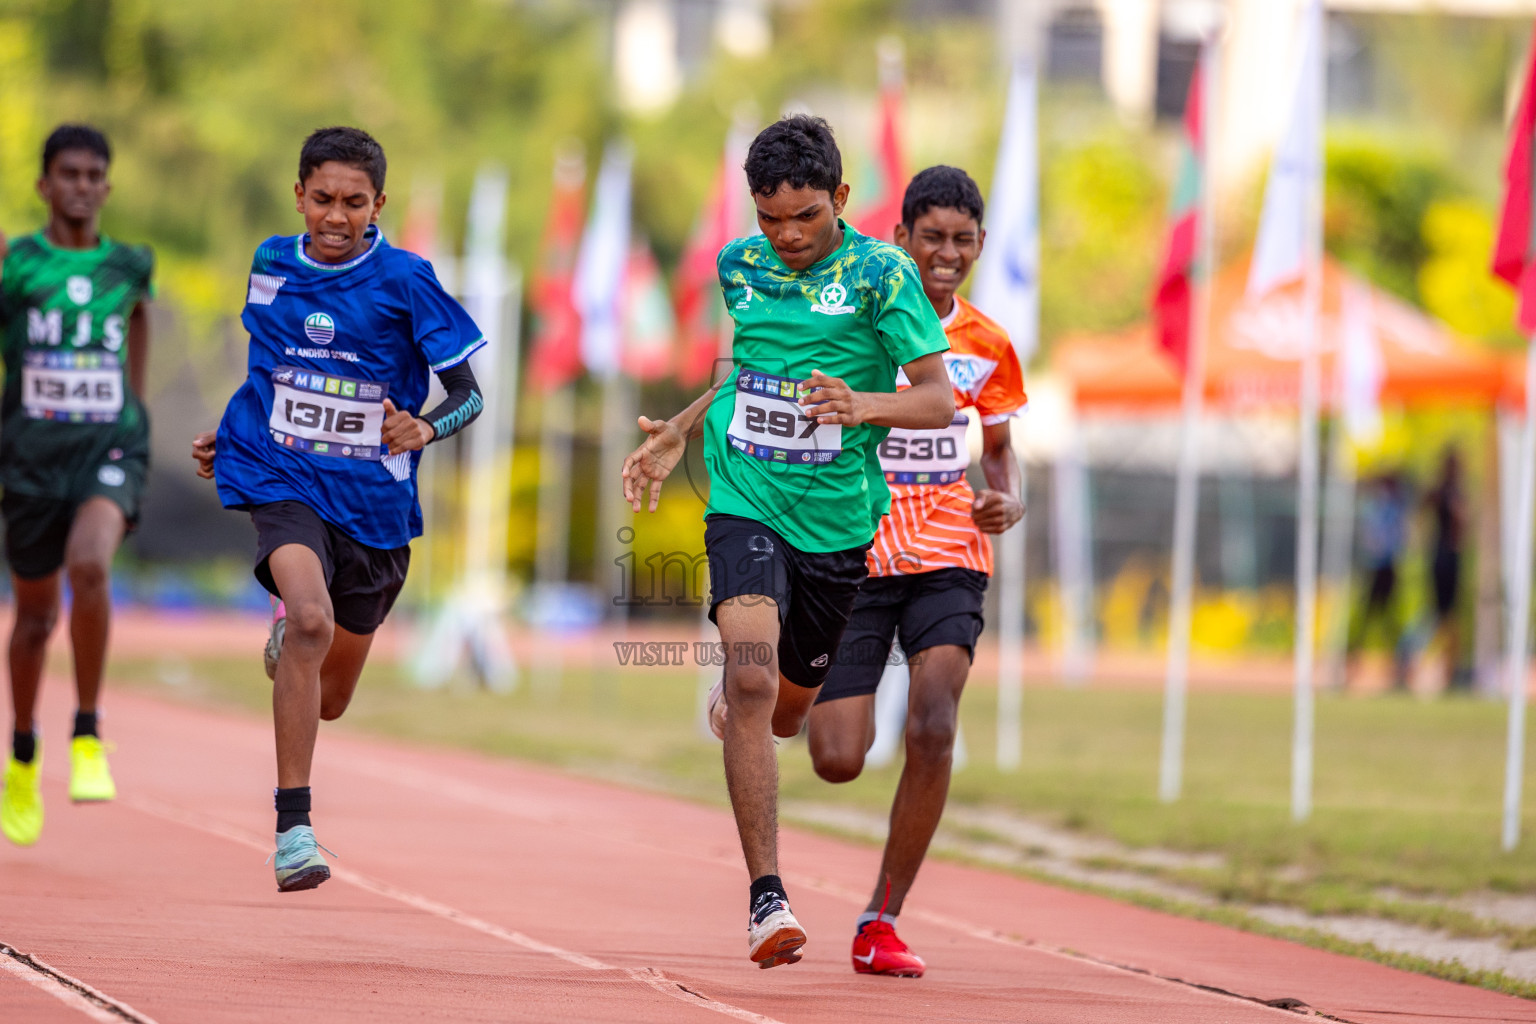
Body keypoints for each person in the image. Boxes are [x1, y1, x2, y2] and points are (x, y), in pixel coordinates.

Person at [621, 115, 953, 969]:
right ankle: (767, 898)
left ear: (840, 198)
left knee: (788, 713)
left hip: (839, 520)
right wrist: (681, 431)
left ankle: (750, 710)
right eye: (770, 218)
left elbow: (936, 400)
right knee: (751, 671)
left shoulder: (884, 274)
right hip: (745, 496)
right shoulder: (740, 266)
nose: (787, 235)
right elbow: (745, 373)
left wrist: (861, 404)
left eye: (804, 216)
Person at [191, 126, 485, 891]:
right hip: (282, 475)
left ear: (377, 205)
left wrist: (425, 424)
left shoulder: (408, 280)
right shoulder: (269, 263)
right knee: (313, 620)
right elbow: (269, 371)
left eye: (354, 202)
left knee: (333, 697)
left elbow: (469, 394)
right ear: (299, 197)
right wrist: (228, 437)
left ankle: (296, 629)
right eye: (322, 198)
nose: (335, 216)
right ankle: (293, 829)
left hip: (375, 508)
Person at [806, 166, 1026, 977]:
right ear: (900, 237)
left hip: (948, 556)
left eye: (963, 240)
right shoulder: (860, 330)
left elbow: (999, 460)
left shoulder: (990, 346)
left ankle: (880, 919)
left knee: (933, 724)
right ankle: (779, 686)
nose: (947, 253)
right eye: (931, 236)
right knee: (837, 758)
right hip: (857, 550)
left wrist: (1005, 501)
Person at [0, 125, 154, 846]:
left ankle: (87, 733)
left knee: (90, 566)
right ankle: (23, 752)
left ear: (108, 187)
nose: (83, 186)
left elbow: (140, 325)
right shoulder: (17, 262)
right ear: (44, 185)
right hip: (29, 457)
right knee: (33, 621)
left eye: (95, 174)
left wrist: (137, 412)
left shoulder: (130, 264)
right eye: (69, 173)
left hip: (107, 448)